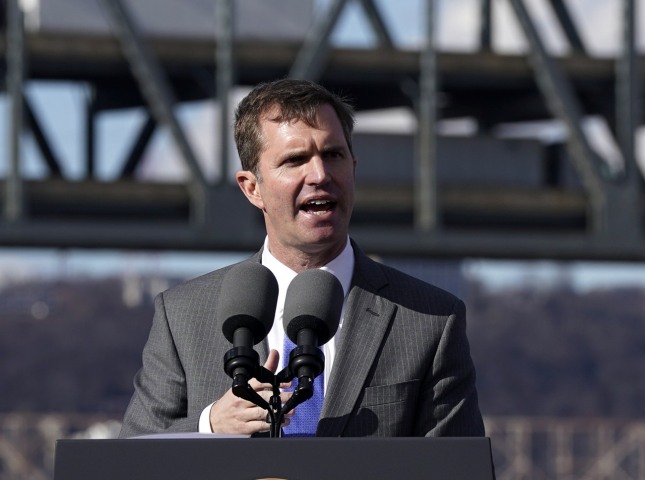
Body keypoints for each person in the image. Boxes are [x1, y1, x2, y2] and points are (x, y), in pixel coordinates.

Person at [119, 78, 483, 438]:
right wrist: (210, 424)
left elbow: (455, 471)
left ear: (353, 168)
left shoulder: (430, 319)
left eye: (333, 155)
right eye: (295, 160)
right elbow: (131, 458)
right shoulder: (183, 316)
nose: (320, 175)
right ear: (252, 188)